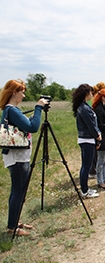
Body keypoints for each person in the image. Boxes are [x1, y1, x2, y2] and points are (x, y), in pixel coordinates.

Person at [0, 79, 48, 236]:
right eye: (22, 91)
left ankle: (14, 221)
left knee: (18, 190)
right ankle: (12, 228)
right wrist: (39, 107)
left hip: (16, 157)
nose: (24, 94)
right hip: (18, 158)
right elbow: (33, 127)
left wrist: (36, 113)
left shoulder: (11, 110)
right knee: (18, 191)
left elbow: (26, 125)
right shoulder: (12, 110)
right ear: (14, 92)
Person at [72, 84, 101, 198]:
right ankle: (84, 191)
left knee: (86, 166)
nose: (92, 94)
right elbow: (91, 125)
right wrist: (97, 136)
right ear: (86, 93)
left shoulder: (83, 106)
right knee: (86, 167)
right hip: (87, 140)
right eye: (90, 92)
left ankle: (86, 189)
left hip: (87, 139)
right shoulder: (84, 108)